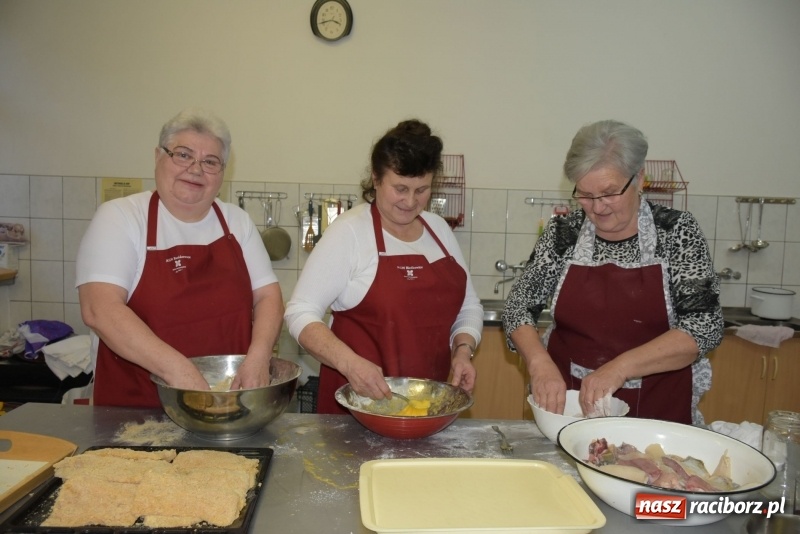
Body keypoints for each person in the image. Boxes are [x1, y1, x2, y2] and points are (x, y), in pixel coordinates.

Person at [503, 119, 723, 425]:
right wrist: (539, 362)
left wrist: (620, 368)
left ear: (639, 178)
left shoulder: (675, 232)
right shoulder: (563, 234)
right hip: (571, 410)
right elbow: (518, 307)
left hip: (657, 412)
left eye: (609, 193)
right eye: (585, 194)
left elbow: (704, 327)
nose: (598, 207)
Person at [76, 108, 284, 407]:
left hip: (226, 404)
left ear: (223, 172)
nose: (196, 169)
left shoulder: (236, 222)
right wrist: (182, 373)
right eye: (183, 155)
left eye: (210, 161)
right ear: (158, 157)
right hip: (134, 410)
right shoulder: (121, 218)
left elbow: (268, 296)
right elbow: (100, 309)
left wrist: (259, 358)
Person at [284, 119, 483, 414]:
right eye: (400, 188)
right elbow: (299, 312)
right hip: (358, 408)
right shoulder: (350, 232)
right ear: (376, 179)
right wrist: (349, 364)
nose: (411, 201)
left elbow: (468, 307)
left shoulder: (439, 230)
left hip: (425, 408)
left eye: (422, 190)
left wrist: (462, 351)